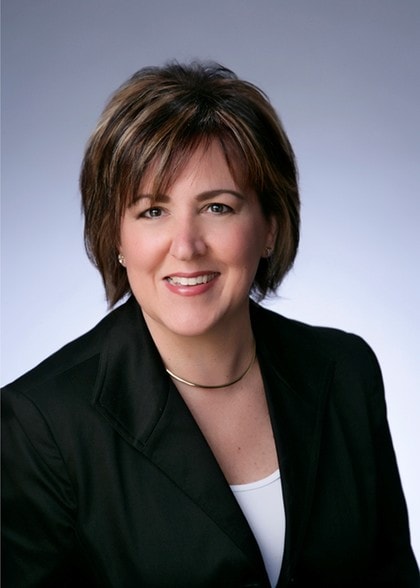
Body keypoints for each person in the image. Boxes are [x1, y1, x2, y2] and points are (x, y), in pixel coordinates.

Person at [2, 61, 418, 588]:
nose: (186, 246)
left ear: (270, 227)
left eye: (218, 207)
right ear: (115, 237)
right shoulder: (40, 425)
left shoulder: (345, 372)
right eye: (153, 211)